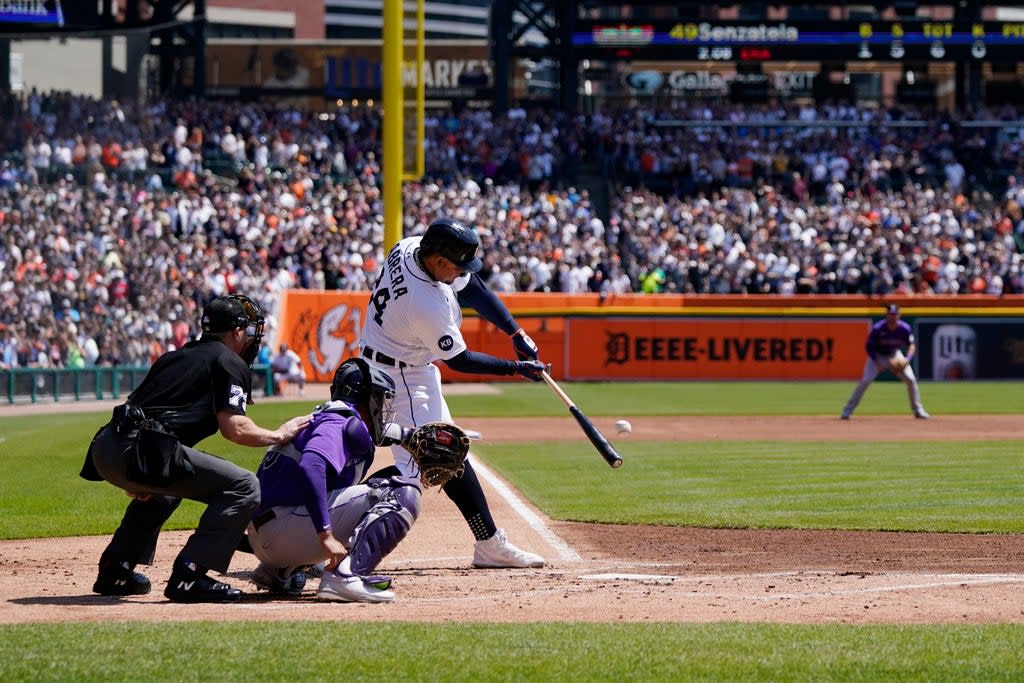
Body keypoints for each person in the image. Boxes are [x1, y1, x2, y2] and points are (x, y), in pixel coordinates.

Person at [80, 295, 311, 603]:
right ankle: (190, 575)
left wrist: (139, 474)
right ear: (238, 332)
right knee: (244, 487)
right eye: (252, 331)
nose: (254, 339)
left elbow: (144, 409)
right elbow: (235, 428)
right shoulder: (229, 361)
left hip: (106, 446)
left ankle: (115, 570)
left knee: (164, 492)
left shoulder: (174, 356)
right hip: (139, 450)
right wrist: (278, 434)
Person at [358, 217, 550, 568]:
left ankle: (489, 542)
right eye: (457, 264)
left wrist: (515, 332)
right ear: (440, 261)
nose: (462, 271)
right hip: (402, 379)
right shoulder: (426, 303)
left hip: (391, 362)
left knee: (450, 452)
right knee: (428, 463)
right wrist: (516, 368)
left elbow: (472, 286)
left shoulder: (411, 246)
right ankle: (323, 536)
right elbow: (460, 360)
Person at [246, 357, 446, 603]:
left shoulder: (328, 416)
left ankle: (282, 571)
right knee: (404, 491)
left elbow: (371, 434)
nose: (382, 405)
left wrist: (411, 436)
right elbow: (312, 466)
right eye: (380, 397)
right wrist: (326, 536)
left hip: (271, 533)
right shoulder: (338, 421)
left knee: (386, 477)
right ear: (367, 397)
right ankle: (347, 576)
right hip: (283, 531)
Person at [841, 303, 929, 420]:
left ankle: (918, 410)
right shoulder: (878, 328)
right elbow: (869, 347)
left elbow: (911, 345)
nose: (892, 317)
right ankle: (847, 410)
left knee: (911, 380)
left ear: (899, 315)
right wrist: (877, 362)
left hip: (895, 355)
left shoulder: (904, 329)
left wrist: (906, 360)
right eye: (890, 314)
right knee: (866, 380)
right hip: (877, 356)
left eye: (895, 314)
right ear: (886, 315)